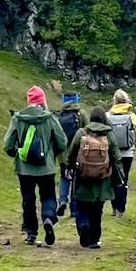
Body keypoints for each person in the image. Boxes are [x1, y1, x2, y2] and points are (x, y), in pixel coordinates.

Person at [3, 85, 67, 246]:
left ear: (29, 101)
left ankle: (31, 233)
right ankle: (48, 217)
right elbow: (62, 141)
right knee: (48, 196)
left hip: (24, 169)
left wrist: (15, 153)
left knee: (28, 199)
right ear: (42, 100)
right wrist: (52, 154)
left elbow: (8, 144)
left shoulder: (18, 118)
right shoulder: (50, 118)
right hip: (46, 167)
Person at [64, 106, 122, 248]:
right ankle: (94, 239)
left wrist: (69, 167)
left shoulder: (81, 132)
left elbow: (71, 153)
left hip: (83, 178)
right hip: (103, 179)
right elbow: (116, 157)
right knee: (97, 210)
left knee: (82, 206)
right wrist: (119, 176)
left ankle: (83, 225)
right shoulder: (108, 134)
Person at [107, 88, 136, 217]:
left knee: (112, 180)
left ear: (114, 101)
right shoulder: (131, 116)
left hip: (112, 153)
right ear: (127, 100)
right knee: (124, 179)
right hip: (127, 153)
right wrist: (135, 145)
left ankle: (114, 207)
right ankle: (121, 209)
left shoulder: (108, 115)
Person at [53, 90, 84, 219]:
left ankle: (62, 201)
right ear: (76, 99)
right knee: (76, 180)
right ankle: (74, 208)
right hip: (78, 154)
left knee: (64, 177)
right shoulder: (81, 114)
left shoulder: (58, 115)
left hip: (63, 154)